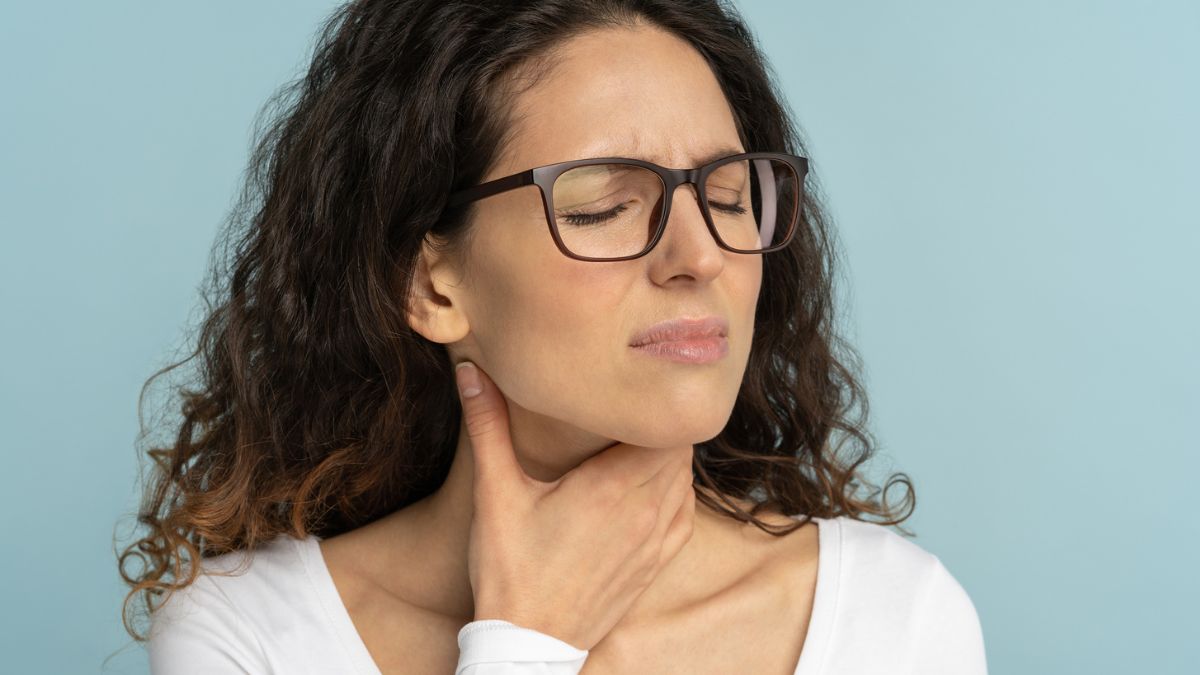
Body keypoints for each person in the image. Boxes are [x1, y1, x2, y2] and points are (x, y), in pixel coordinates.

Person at [118, 1, 988, 673]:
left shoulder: (894, 616)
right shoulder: (251, 636)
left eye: (727, 196)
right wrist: (525, 640)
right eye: (604, 205)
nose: (701, 255)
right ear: (430, 283)